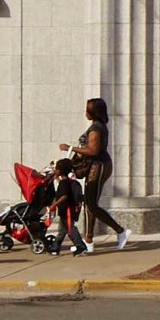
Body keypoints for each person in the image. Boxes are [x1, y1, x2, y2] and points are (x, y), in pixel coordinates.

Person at [59, 96, 130, 252]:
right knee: (90, 203)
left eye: (88, 110)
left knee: (91, 204)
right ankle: (89, 240)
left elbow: (93, 150)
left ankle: (120, 230)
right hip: (94, 166)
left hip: (99, 166)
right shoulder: (96, 126)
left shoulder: (97, 128)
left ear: (94, 112)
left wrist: (70, 148)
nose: (85, 112)